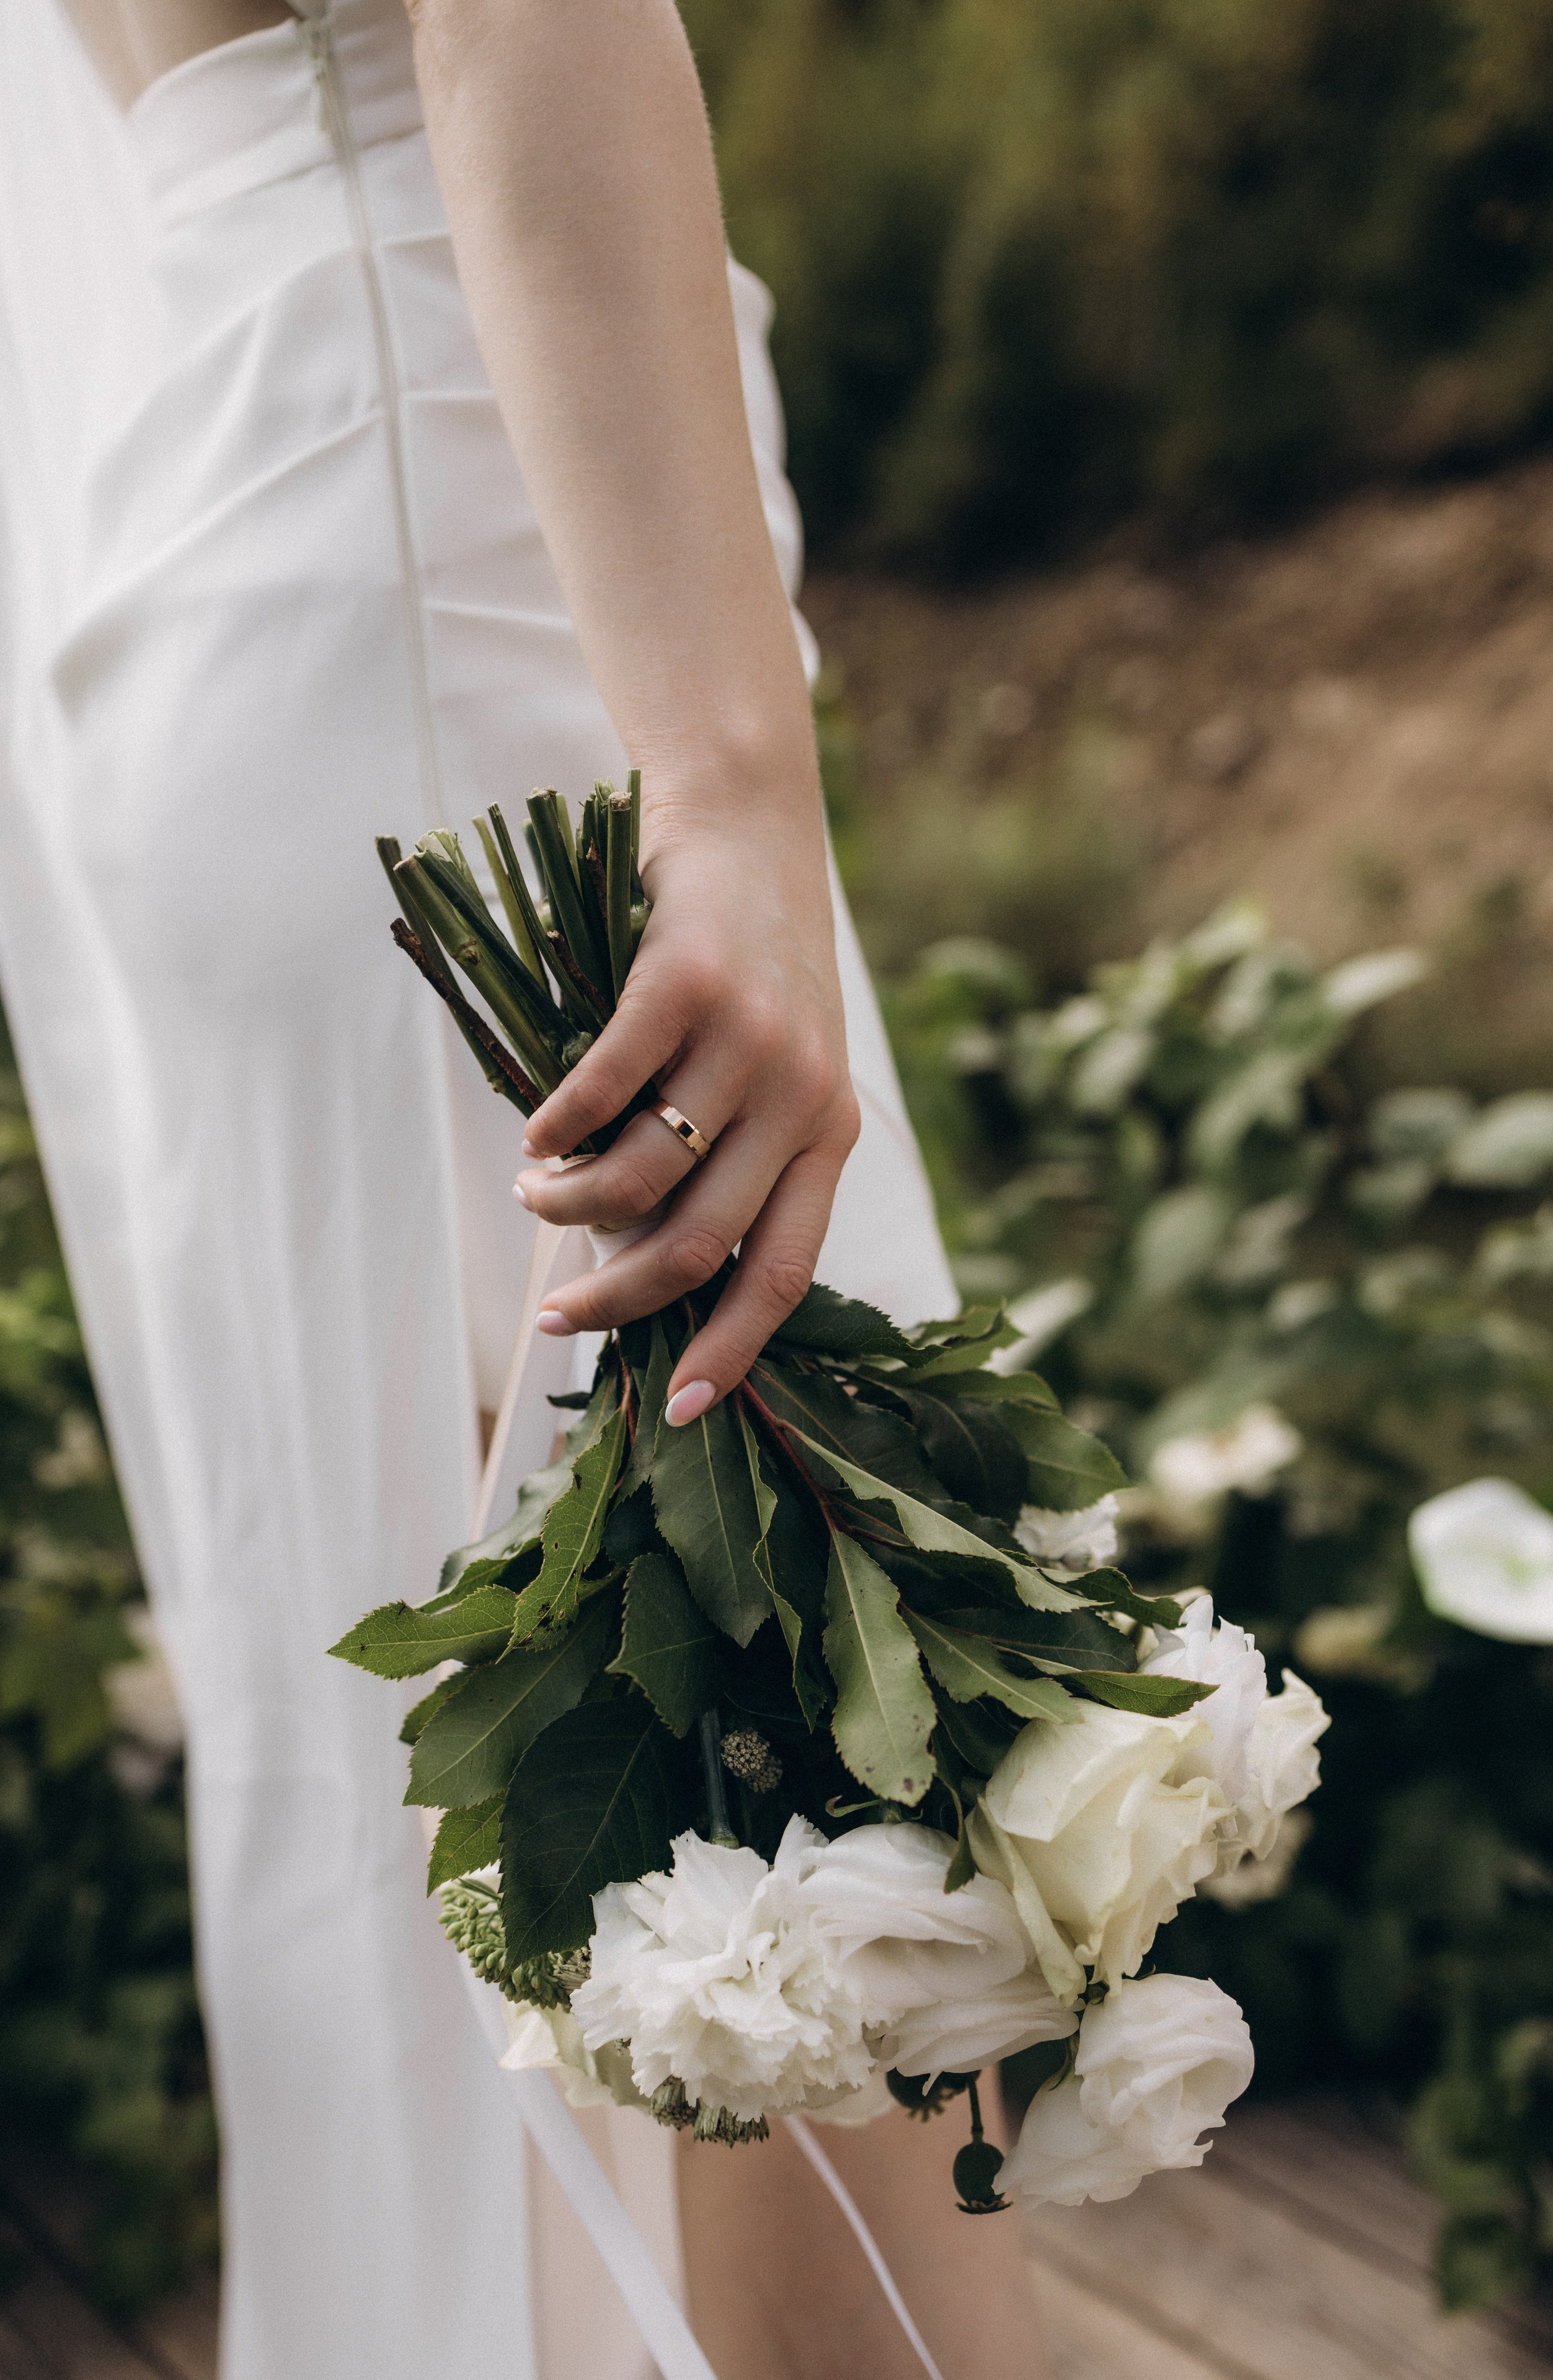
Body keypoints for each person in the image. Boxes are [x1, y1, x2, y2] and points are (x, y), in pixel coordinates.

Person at [0, 4, 1052, 2376]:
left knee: (628, 1858)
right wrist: (722, 781)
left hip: (272, 534)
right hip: (463, 598)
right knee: (832, 1848)